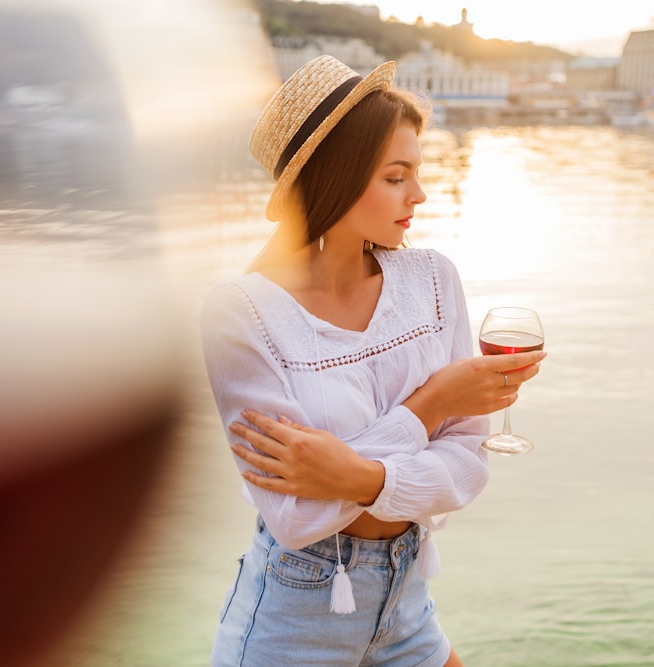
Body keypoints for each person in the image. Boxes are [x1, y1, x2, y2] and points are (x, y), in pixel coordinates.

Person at [200, 55, 546, 667]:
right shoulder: (242, 314)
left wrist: (357, 478)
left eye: (417, 172)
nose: (419, 193)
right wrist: (433, 403)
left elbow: (466, 470)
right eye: (396, 176)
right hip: (293, 619)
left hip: (408, 601)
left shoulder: (433, 280)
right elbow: (297, 514)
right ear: (335, 177)